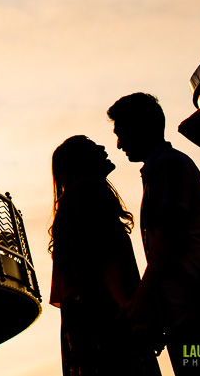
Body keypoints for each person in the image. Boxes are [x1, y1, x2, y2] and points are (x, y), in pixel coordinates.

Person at [108, 92, 200, 373]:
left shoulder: (167, 166)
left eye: (121, 133)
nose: (119, 144)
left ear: (141, 127)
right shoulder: (167, 165)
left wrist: (143, 300)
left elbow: (169, 238)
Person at [49, 135, 162, 375]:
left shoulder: (71, 198)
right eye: (92, 147)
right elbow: (102, 254)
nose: (102, 147)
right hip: (108, 314)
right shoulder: (88, 190)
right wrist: (129, 306)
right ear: (81, 160)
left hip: (92, 315)